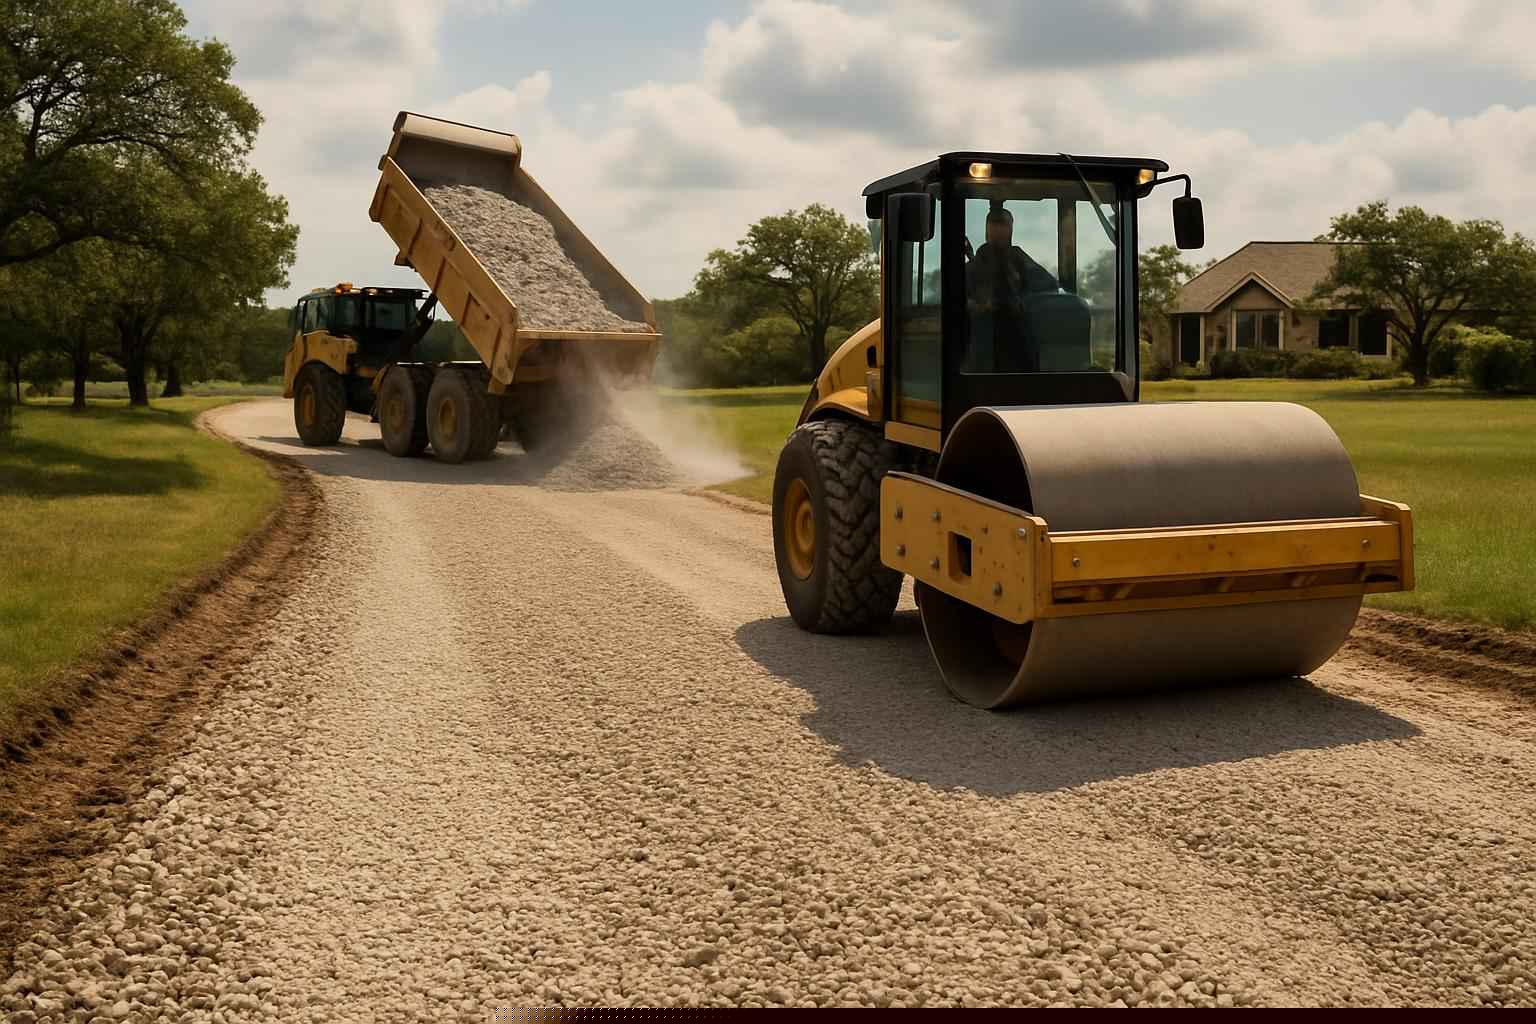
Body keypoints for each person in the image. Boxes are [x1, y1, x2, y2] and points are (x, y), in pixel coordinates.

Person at [964, 203, 1059, 371]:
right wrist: (976, 305)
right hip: (983, 334)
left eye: (1003, 225)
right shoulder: (975, 265)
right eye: (994, 225)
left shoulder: (1017, 257)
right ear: (987, 230)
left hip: (1018, 332)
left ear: (1010, 230)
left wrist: (1024, 298)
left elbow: (1048, 283)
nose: (999, 230)